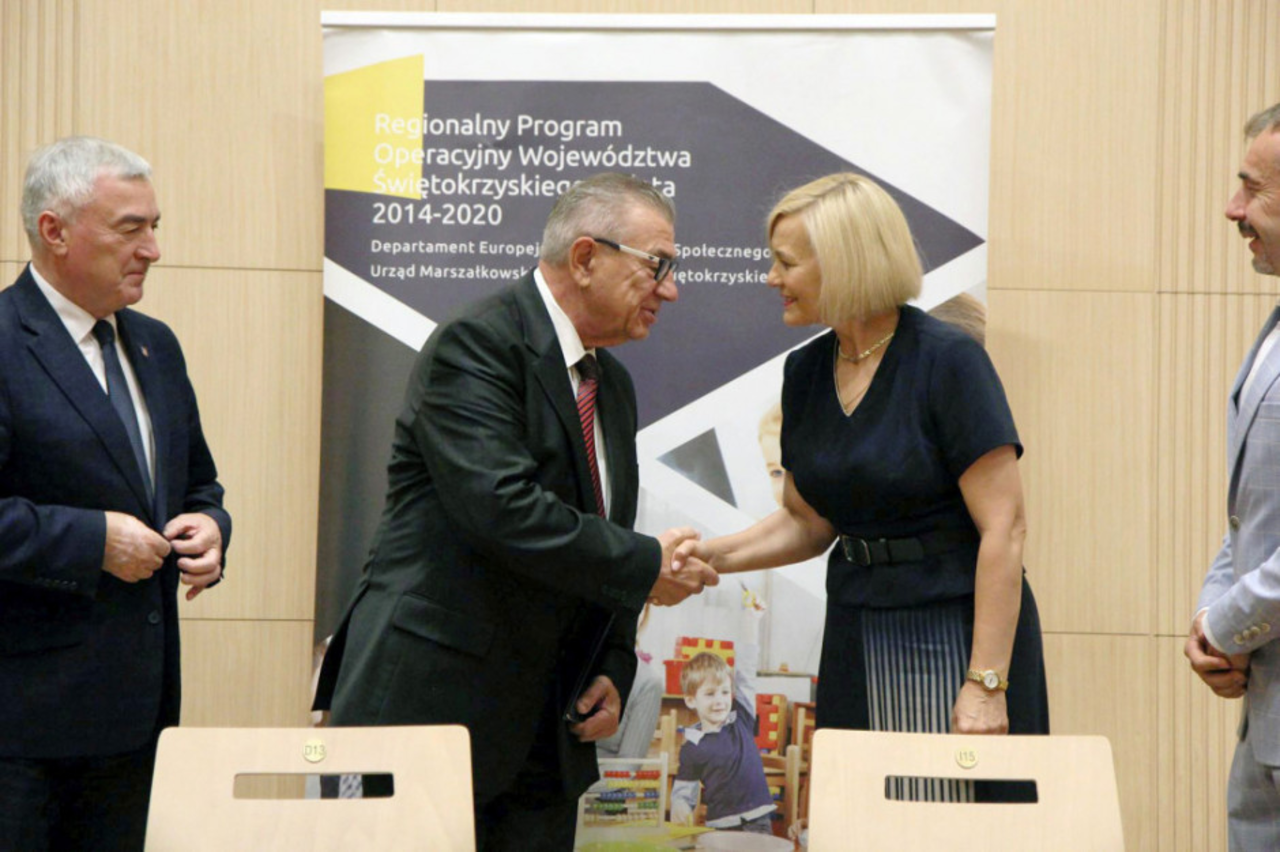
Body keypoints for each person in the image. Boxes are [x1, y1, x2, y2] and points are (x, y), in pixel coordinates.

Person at [313, 172, 717, 851]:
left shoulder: (611, 384)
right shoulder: (477, 344)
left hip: (546, 732)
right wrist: (651, 563)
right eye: (657, 266)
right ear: (585, 258)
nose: (669, 290)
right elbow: (503, 510)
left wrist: (613, 663)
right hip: (432, 708)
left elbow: (604, 532)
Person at [674, 173, 1048, 801]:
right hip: (856, 625)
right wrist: (710, 557)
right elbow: (807, 522)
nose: (770, 278)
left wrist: (986, 683)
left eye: (785, 262)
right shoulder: (805, 371)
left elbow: (1004, 527)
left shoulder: (948, 361)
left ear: (844, 262)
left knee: (956, 825)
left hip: (953, 628)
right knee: (865, 814)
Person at [0, 136, 232, 851]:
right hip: (24, 731)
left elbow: (198, 481)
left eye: (154, 226)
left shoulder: (156, 346)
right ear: (54, 231)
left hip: (138, 720)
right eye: (131, 229)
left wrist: (211, 527)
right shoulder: (4, 342)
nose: (153, 249)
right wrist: (94, 541)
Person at [1185, 101, 1280, 850]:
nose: (1231, 209)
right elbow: (1254, 512)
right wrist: (1212, 617)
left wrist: (1226, 625)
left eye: (1252, 188)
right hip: (1265, 722)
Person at [669, 591, 774, 833]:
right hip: (722, 827)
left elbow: (746, 672)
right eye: (710, 694)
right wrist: (680, 807)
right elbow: (684, 790)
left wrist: (751, 622)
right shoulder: (692, 747)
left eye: (725, 692)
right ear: (691, 700)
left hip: (759, 820)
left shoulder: (742, 718)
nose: (719, 701)